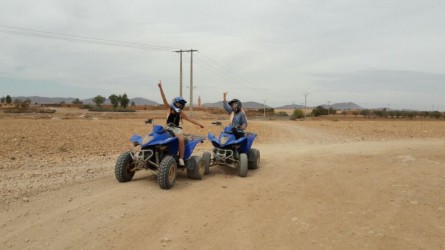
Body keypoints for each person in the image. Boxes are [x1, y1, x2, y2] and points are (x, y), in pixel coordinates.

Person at [158, 81, 204, 166]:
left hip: (176, 129)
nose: (180, 106)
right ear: (174, 103)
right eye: (179, 104)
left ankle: (181, 158)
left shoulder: (180, 113)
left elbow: (190, 119)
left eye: (181, 105)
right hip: (167, 128)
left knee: (181, 139)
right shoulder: (168, 109)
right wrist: (160, 87)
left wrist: (199, 124)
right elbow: (164, 98)